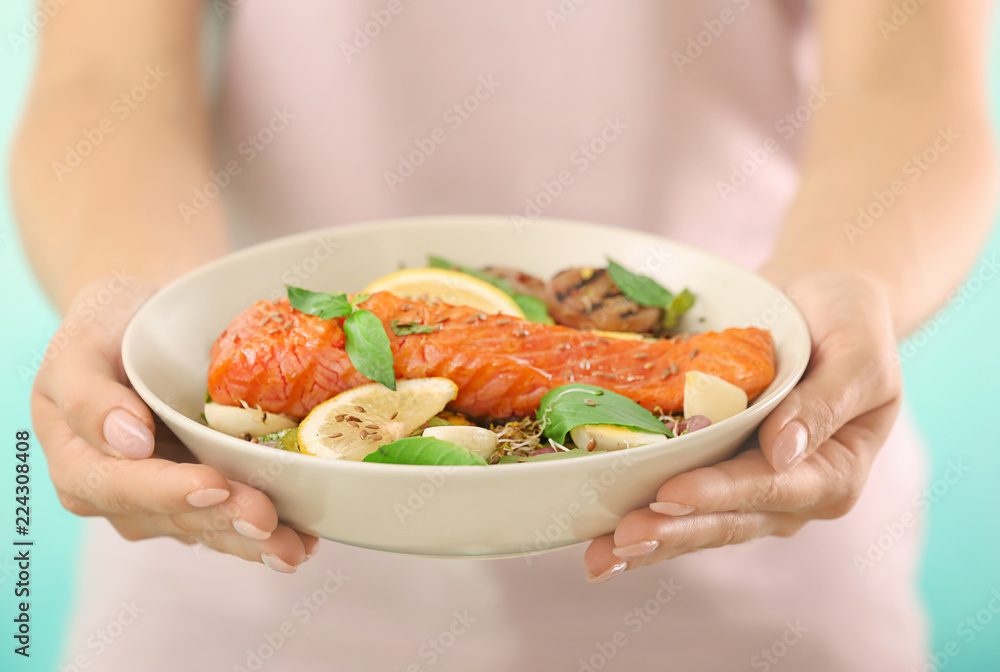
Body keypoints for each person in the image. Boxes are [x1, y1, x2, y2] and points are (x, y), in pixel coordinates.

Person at [12, 0, 997, 669]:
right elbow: (104, 80)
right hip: (230, 559)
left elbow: (907, 84)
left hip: (742, 545)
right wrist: (140, 308)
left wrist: (842, 288)